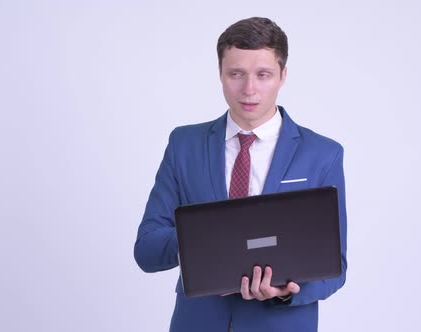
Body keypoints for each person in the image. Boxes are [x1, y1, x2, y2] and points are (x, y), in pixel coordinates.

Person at [134, 17, 347, 332]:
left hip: (280, 324)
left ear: (282, 76)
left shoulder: (322, 154)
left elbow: (336, 268)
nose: (249, 89)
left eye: (263, 75)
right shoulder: (184, 145)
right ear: (220, 74)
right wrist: (202, 238)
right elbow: (147, 250)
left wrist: (285, 293)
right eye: (236, 74)